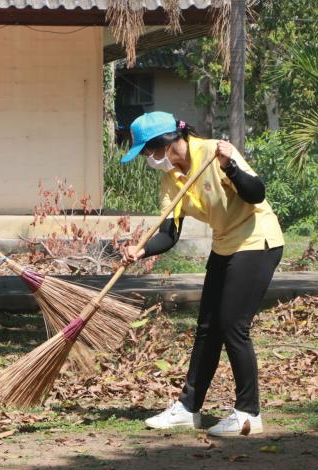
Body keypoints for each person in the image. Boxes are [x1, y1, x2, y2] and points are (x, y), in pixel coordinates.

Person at [120, 112, 284, 436]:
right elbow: (170, 233)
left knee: (233, 325)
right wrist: (142, 250)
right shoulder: (171, 178)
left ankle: (248, 413)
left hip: (257, 241)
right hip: (224, 245)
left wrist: (231, 167)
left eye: (147, 152)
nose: (147, 160)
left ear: (165, 144)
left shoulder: (214, 152)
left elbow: (256, 193)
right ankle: (188, 407)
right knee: (208, 327)